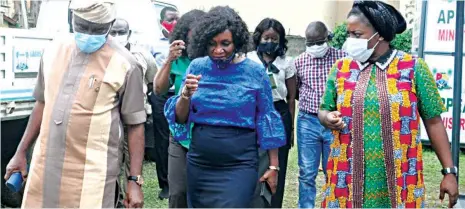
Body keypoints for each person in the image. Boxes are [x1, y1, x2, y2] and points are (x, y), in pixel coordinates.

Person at [3, 0, 146, 208]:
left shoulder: (126, 64)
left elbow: (135, 125)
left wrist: (134, 181)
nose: (88, 33)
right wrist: (20, 152)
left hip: (93, 177)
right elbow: (42, 104)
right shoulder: (52, 50)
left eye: (97, 29)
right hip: (45, 168)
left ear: (110, 24)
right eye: (82, 26)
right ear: (71, 19)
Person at [319, 1, 459, 208]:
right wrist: (327, 118)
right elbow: (324, 109)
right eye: (349, 34)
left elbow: (434, 121)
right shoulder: (341, 68)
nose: (350, 41)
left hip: (401, 181)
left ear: (381, 35)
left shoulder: (413, 68)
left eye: (356, 35)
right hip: (346, 181)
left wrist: (449, 172)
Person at [164, 6, 286, 208]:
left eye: (225, 43)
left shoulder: (254, 72)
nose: (218, 50)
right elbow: (180, 117)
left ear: (237, 41)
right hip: (200, 163)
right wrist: (185, 95)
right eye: (212, 44)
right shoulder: (197, 67)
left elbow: (267, 118)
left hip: (239, 163)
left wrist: (274, 165)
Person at [152, 9, 206, 208]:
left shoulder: (214, 58)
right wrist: (169, 60)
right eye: (188, 38)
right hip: (180, 134)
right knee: (178, 193)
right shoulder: (180, 59)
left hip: (207, 133)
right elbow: (159, 89)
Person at [294, 21, 347, 208]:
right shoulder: (299, 61)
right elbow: (297, 91)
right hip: (307, 121)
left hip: (334, 122)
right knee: (307, 172)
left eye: (319, 42)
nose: (315, 47)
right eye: (311, 43)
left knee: (332, 170)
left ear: (328, 38)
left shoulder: (343, 59)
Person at [247, 18, 296, 208]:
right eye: (267, 37)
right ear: (259, 38)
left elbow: (291, 98)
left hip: (279, 111)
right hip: (254, 111)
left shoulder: (287, 62)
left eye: (275, 39)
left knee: (278, 164)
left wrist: (290, 127)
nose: (270, 42)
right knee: (255, 159)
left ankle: (274, 204)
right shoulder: (248, 59)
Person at [109, 18, 157, 207]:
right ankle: (115, 199)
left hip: (135, 118)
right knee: (113, 161)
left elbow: (153, 79)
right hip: (111, 117)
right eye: (113, 32)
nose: (117, 37)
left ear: (129, 34)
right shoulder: (104, 54)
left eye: (121, 32)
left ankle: (130, 197)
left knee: (133, 160)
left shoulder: (142, 55)